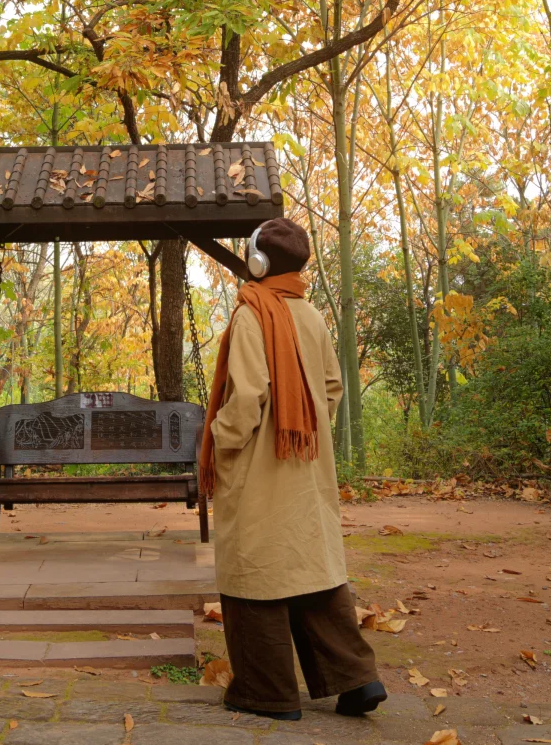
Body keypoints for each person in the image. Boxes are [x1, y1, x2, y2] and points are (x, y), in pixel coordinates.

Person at [199, 216, 387, 722]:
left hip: (259, 467)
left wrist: (221, 442)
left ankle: (266, 692)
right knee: (313, 569)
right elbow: (331, 388)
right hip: (305, 466)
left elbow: (247, 396)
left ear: (256, 262)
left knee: (254, 571)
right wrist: (304, 429)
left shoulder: (250, 313)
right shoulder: (312, 315)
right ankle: (357, 681)